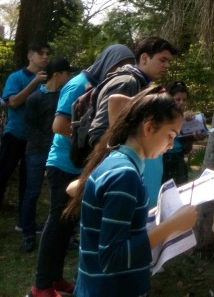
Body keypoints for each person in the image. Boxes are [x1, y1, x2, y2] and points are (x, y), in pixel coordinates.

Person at [64, 87, 197, 297]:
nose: (171, 145)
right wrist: (171, 226)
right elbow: (112, 258)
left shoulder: (118, 162)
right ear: (149, 128)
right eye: (170, 135)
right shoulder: (124, 175)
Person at [29, 43, 135, 297]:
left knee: (67, 226)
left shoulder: (101, 85)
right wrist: (88, 141)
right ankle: (40, 286)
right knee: (57, 224)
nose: (122, 71)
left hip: (79, 165)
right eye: (119, 66)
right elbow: (58, 125)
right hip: (63, 164)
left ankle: (54, 279)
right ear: (108, 61)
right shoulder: (79, 83)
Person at [87, 37, 178, 209]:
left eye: (169, 61)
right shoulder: (128, 82)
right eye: (162, 60)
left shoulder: (139, 83)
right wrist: (114, 166)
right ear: (144, 58)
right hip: (114, 174)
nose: (167, 66)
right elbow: (100, 131)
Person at [20, 58, 72, 253]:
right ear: (58, 74)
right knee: (32, 192)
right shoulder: (35, 98)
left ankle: (66, 236)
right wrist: (47, 145)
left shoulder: (65, 96)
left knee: (63, 194)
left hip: (58, 153)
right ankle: (28, 234)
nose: (69, 77)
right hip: (37, 152)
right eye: (67, 73)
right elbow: (30, 128)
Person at [0, 41, 50, 224]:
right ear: (30, 56)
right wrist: (34, 82)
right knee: (3, 174)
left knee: (28, 182)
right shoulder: (17, 77)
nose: (45, 57)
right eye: (40, 53)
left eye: (47, 54)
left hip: (34, 141)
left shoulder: (49, 79)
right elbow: (13, 102)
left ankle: (23, 221)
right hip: (15, 135)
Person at [161, 81, 205, 185]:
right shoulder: (162, 117)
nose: (181, 102)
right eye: (178, 99)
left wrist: (192, 137)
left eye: (184, 100)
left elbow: (186, 149)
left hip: (179, 159)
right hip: (164, 159)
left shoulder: (187, 118)